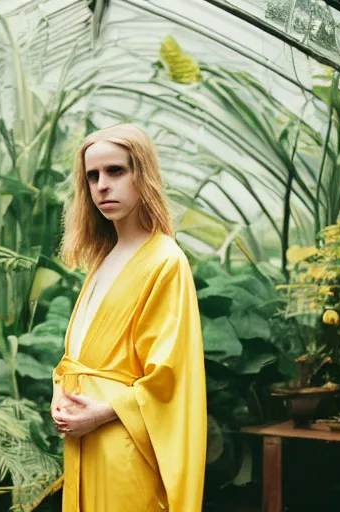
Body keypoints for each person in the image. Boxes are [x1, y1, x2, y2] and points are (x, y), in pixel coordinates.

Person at [50, 124, 207, 511]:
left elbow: (170, 377)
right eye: (93, 176)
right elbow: (79, 356)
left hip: (124, 447)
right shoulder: (103, 259)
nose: (102, 185)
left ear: (143, 174)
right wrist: (60, 389)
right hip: (85, 445)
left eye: (115, 171)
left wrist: (103, 412)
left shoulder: (165, 260)